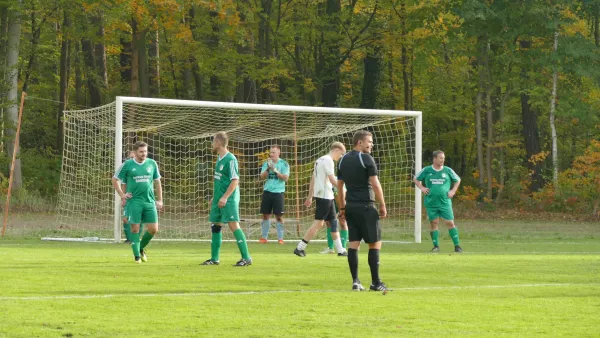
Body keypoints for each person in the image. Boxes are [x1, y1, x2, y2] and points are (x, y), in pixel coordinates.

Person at [337, 130, 388, 292]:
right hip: (366, 206)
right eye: (369, 142)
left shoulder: (342, 159)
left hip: (350, 207)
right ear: (359, 143)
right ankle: (376, 282)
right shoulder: (366, 158)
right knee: (375, 244)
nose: (371, 145)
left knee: (353, 244)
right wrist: (382, 204)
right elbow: (375, 184)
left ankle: (356, 281)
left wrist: (342, 207)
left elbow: (339, 186)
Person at [202, 132, 252, 266]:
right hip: (220, 198)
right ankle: (214, 259)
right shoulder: (219, 158)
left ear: (218, 143)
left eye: (213, 141)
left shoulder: (231, 159)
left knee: (233, 224)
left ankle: (246, 258)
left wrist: (224, 197)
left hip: (229, 198)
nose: (212, 144)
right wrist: (215, 197)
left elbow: (235, 180)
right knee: (216, 225)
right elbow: (221, 181)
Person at [112, 141, 163, 264]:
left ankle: (140, 248)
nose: (144, 154)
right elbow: (115, 179)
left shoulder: (152, 164)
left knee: (153, 229)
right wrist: (122, 195)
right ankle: (137, 257)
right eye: (141, 152)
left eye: (145, 151)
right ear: (135, 152)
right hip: (134, 202)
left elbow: (157, 182)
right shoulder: (128, 164)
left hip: (149, 201)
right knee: (135, 228)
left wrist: (160, 200)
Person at [294, 142, 347, 257]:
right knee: (319, 223)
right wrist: (344, 185)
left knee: (333, 222)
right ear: (337, 150)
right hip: (325, 196)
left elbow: (313, 178)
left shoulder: (319, 160)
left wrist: (310, 196)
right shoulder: (328, 161)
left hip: (325, 196)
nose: (340, 157)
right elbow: (333, 180)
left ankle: (340, 250)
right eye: (341, 154)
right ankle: (300, 247)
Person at [413, 150, 463, 253]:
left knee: (450, 222)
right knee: (434, 223)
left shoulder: (447, 170)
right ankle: (436, 246)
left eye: (443, 158)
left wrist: (453, 191)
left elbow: (457, 179)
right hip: (431, 202)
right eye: (441, 158)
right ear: (434, 159)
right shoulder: (427, 170)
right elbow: (416, 178)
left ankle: (457, 246)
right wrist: (422, 187)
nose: (443, 160)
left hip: (445, 202)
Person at [258, 145, 290, 244]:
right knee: (265, 215)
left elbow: (285, 178)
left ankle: (280, 239)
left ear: (278, 153)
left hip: (278, 193)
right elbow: (261, 177)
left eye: (273, 152)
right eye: (270, 152)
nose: (271, 154)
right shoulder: (266, 163)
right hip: (267, 191)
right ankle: (264, 238)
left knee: (279, 216)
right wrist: (268, 168)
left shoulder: (284, 164)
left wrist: (275, 170)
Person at [120, 151, 144, 244]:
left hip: (141, 198)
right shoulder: (128, 171)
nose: (131, 159)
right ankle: (129, 239)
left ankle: (136, 238)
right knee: (126, 218)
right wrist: (123, 197)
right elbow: (123, 184)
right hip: (130, 198)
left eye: (132, 157)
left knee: (139, 218)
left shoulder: (143, 169)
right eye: (130, 157)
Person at [320, 187, 349, 254]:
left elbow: (341, 194)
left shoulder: (337, 180)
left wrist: (341, 209)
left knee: (342, 222)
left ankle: (343, 248)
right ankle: (331, 248)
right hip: (331, 201)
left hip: (341, 202)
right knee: (328, 222)